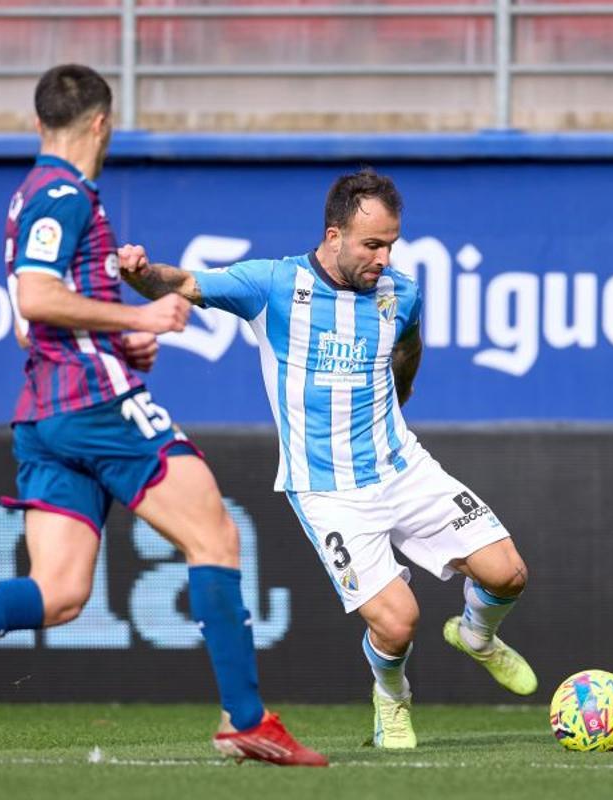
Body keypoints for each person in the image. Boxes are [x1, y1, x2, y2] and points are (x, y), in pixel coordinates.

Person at [0, 63, 327, 768]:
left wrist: (119, 337)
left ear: (39, 122)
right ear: (102, 123)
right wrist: (137, 316)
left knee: (62, 592)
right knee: (216, 536)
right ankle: (246, 719)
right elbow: (37, 300)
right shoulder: (63, 195)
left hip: (45, 412)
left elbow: (34, 325)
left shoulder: (30, 196)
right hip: (94, 405)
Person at [119, 168, 537, 749]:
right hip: (328, 490)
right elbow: (185, 283)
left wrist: (404, 391)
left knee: (509, 573)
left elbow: (409, 346)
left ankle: (476, 636)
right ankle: (391, 699)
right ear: (334, 235)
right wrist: (142, 275)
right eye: (372, 245)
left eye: (391, 244)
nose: (384, 259)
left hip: (402, 467)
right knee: (398, 622)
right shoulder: (271, 285)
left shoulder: (401, 292)